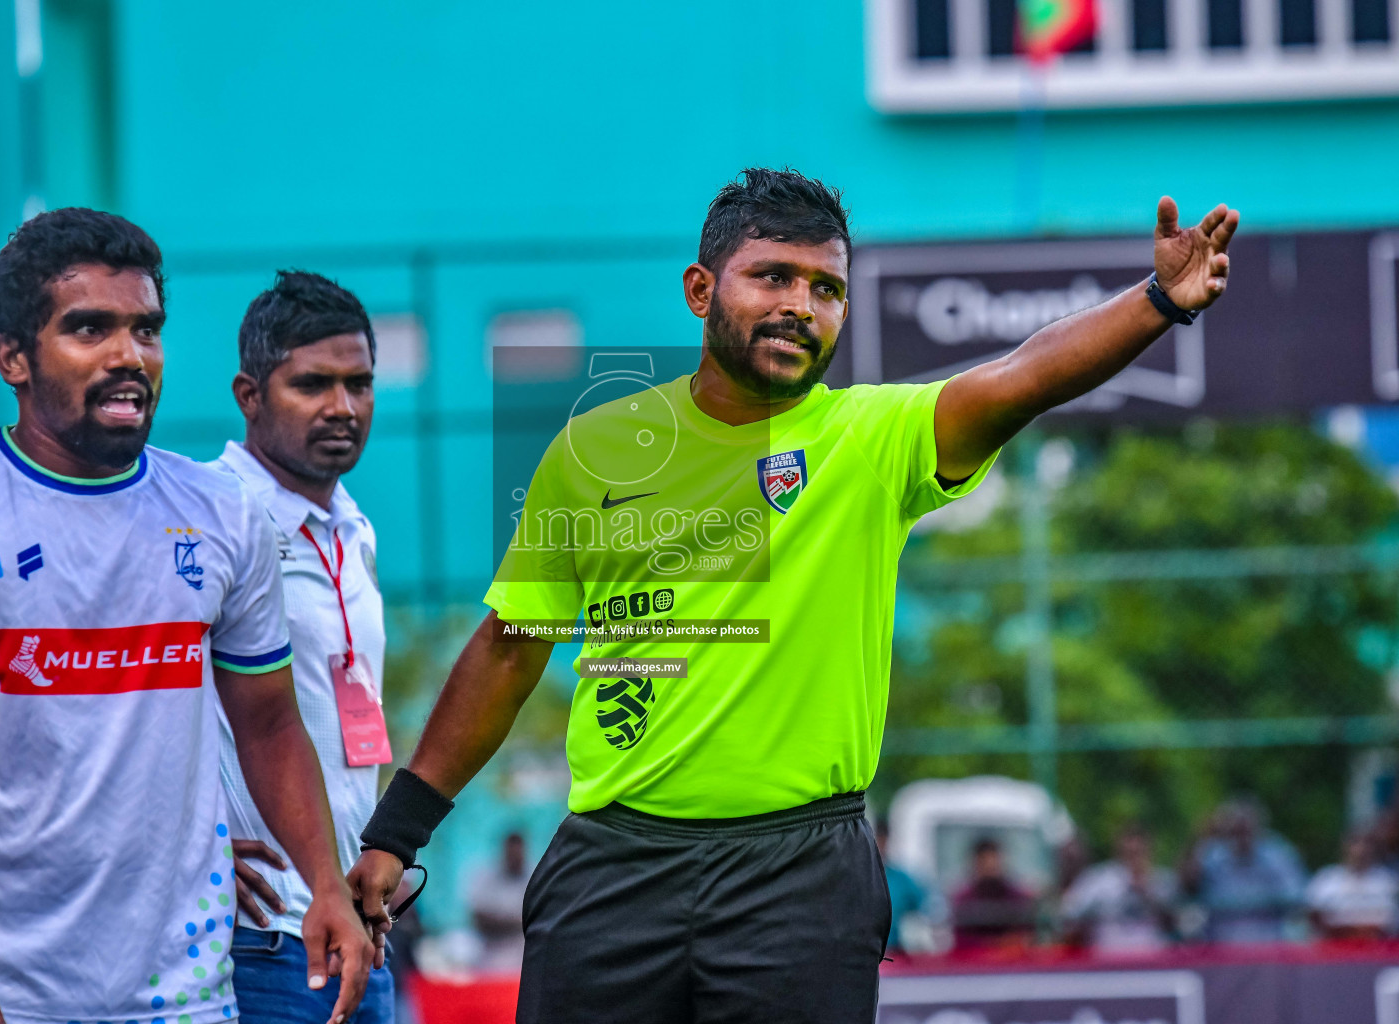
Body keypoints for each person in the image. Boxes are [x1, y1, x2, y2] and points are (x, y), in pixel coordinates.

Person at [349, 167, 1239, 1023]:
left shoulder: (873, 440)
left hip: (803, 877)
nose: (800, 306)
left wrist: (1155, 302)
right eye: (771, 276)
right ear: (701, 290)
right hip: (613, 868)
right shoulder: (594, 450)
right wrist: (397, 832)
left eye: (826, 288)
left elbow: (1028, 372)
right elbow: (511, 648)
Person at [0, 209, 373, 1024]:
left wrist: (324, 886)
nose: (129, 356)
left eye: (146, 329)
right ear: (13, 357)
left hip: (184, 997)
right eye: (89, 329)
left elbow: (271, 727)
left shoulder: (221, 514)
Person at [211, 271, 395, 1022]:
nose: (343, 407)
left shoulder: (354, 527)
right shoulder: (206, 518)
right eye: (313, 384)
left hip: (351, 924)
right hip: (251, 936)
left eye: (359, 383)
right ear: (250, 395)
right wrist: (189, 849)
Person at [1183, 800, 1306, 944]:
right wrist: (1203, 836)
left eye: (1247, 830)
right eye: (1237, 831)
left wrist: (1251, 902)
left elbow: (1297, 897)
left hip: (1269, 950)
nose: (1243, 837)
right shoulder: (1213, 855)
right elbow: (1186, 889)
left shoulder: (1278, 856)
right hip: (1220, 950)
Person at [1060, 823, 1177, 953]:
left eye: (1138, 852)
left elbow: (1178, 923)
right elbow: (1070, 912)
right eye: (1130, 852)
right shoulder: (1098, 879)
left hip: (1154, 960)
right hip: (1109, 960)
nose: (1134, 858)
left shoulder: (1163, 881)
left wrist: (1148, 894)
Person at [1306, 830, 1398, 941]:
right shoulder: (1326, 879)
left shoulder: (1387, 881)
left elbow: (1391, 922)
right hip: (1332, 947)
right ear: (1345, 847)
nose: (1361, 849)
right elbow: (1313, 916)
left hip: (1377, 949)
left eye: (1367, 844)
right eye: (1355, 843)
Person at [951, 838, 1037, 951]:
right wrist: (992, 945)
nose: (990, 868)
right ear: (975, 863)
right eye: (984, 863)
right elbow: (960, 941)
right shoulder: (963, 900)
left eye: (994, 862)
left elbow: (1026, 936)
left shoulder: (1018, 897)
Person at [874, 817, 944, 955]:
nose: (880, 844)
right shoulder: (859, 876)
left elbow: (928, 905)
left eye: (883, 840)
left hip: (896, 951)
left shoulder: (902, 879)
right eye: (877, 839)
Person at [465, 833, 531, 972]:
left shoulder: (535, 876)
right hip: (491, 961)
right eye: (511, 854)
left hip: (523, 960)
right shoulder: (487, 877)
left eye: (518, 854)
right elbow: (480, 919)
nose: (515, 859)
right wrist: (518, 922)